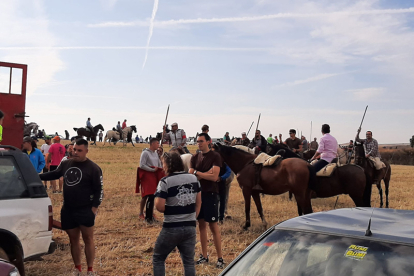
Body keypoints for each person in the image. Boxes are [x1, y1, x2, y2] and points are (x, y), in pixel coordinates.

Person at [40, 139, 103, 275]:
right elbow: (55, 174)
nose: (75, 152)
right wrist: (37, 177)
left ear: (86, 151)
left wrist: (94, 209)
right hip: (68, 209)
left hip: (85, 210)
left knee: (88, 239)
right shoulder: (66, 163)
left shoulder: (93, 168)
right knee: (73, 239)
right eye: (74, 149)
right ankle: (77, 268)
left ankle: (90, 270)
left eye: (79, 150)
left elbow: (99, 190)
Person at [152, 152, 201, 276]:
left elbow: (160, 207)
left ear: (168, 164)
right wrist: (192, 218)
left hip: (172, 227)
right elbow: (198, 203)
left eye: (163, 163)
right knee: (189, 262)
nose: (162, 166)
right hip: (190, 227)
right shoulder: (194, 179)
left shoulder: (165, 182)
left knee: (158, 258)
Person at [189, 133, 224, 268]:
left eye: (201, 141)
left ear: (208, 142)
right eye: (197, 141)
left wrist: (198, 173)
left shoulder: (215, 156)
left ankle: (220, 258)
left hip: (211, 194)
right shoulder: (194, 157)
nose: (199, 143)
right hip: (198, 194)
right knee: (201, 225)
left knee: (213, 225)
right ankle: (204, 256)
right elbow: (191, 175)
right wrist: (205, 174)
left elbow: (215, 177)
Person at [138, 138, 164, 223]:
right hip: (147, 177)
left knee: (153, 196)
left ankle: (150, 216)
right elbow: (142, 165)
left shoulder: (156, 154)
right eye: (157, 143)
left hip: (154, 176)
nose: (158, 145)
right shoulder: (145, 153)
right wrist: (151, 170)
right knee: (149, 196)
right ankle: (148, 218)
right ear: (152, 144)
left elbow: (159, 164)